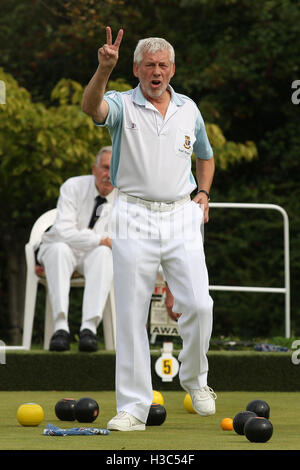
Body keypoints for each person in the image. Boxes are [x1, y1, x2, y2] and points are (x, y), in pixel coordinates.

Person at [82, 27, 216, 431]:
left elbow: (205, 157)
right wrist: (103, 69)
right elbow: (92, 109)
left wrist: (204, 193)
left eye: (163, 65)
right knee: (131, 311)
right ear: (136, 69)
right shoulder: (122, 103)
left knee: (198, 304)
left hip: (180, 215)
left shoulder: (189, 109)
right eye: (149, 66)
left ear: (172, 68)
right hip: (133, 214)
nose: (156, 72)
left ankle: (195, 380)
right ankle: (134, 408)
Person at [37, 146, 116, 352]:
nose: (110, 174)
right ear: (94, 169)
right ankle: (60, 328)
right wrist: (99, 239)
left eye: (115, 168)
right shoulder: (73, 186)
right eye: (106, 167)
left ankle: (89, 329)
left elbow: (119, 242)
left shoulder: (125, 197)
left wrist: (100, 243)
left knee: (104, 254)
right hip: (60, 249)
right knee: (60, 250)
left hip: (92, 256)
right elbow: (63, 232)